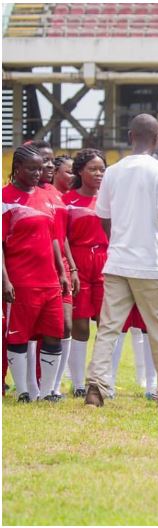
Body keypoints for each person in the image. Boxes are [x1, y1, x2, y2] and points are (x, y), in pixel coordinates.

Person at [84, 113, 158, 407]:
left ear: (131, 136)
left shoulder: (113, 171)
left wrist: (117, 241)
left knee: (108, 329)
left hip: (117, 262)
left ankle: (96, 390)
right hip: (150, 264)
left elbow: (104, 217)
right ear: (157, 139)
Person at [2, 145, 68, 402]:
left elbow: (53, 237)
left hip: (49, 280)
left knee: (54, 334)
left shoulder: (46, 196)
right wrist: (4, 280)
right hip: (20, 281)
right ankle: (23, 392)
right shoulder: (5, 198)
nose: (37, 173)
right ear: (17, 169)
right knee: (18, 335)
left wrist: (61, 272)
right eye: (31, 168)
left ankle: (48, 391)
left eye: (40, 168)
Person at [31, 140, 79, 400]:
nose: (48, 165)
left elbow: (61, 236)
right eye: (44, 160)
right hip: (34, 267)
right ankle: (30, 386)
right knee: (31, 330)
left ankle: (54, 385)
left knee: (64, 326)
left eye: (51, 161)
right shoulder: (24, 194)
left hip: (59, 267)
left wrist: (71, 266)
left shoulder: (55, 194)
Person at [63, 149, 108, 398]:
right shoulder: (67, 200)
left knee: (106, 324)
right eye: (93, 168)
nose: (99, 173)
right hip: (78, 261)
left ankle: (101, 382)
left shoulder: (109, 199)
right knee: (80, 326)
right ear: (80, 171)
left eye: (102, 169)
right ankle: (79, 383)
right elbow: (62, 237)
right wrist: (72, 268)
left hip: (105, 261)